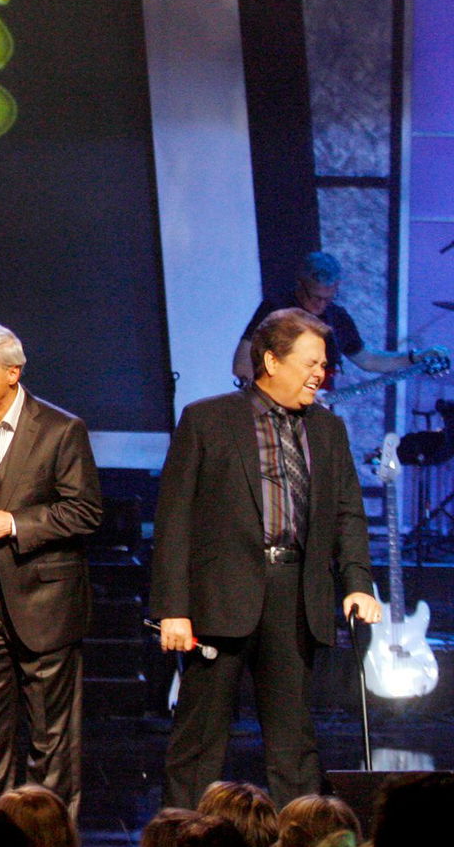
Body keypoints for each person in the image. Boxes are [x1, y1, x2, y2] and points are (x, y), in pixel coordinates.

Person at [153, 307, 381, 807]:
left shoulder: (328, 429)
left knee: (294, 741)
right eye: (311, 363)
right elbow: (175, 520)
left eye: (324, 365)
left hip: (295, 595)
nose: (321, 374)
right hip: (220, 597)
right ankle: (185, 831)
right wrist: (173, 609)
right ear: (272, 361)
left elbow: (348, 513)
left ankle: (301, 831)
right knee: (200, 739)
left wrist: (358, 583)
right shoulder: (207, 420)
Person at [0, 324, 102, 815]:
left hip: (46, 603)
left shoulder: (60, 429)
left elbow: (86, 511)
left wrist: (12, 523)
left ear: (13, 373)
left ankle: (48, 834)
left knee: (50, 743)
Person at [233, 252, 415, 386]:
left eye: (329, 298)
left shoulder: (337, 317)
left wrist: (414, 358)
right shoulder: (275, 309)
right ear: (300, 284)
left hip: (318, 412)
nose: (321, 304)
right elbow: (242, 364)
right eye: (315, 297)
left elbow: (369, 360)